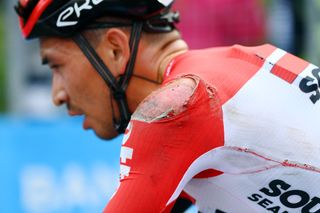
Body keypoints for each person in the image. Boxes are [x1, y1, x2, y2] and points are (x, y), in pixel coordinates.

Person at [15, 0, 320, 212]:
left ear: (115, 49)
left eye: (56, 66)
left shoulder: (177, 107)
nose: (57, 94)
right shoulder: (230, 68)